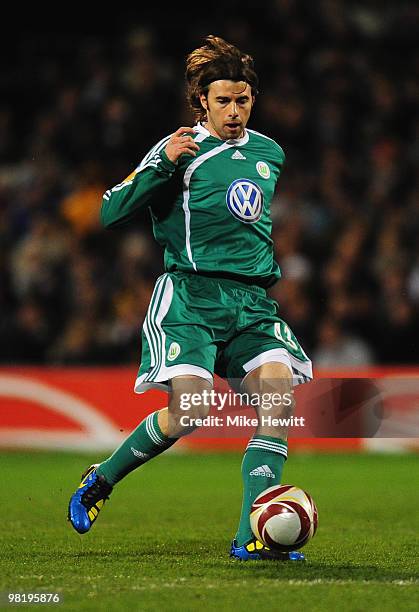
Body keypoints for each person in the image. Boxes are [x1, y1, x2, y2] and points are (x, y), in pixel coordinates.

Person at [68, 35, 313, 561]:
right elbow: (109, 210)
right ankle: (103, 478)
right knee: (191, 411)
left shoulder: (270, 152)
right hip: (190, 297)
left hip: (250, 302)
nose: (233, 111)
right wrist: (161, 166)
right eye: (222, 100)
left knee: (278, 400)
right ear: (201, 100)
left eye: (242, 100)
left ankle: (251, 534)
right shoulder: (180, 148)